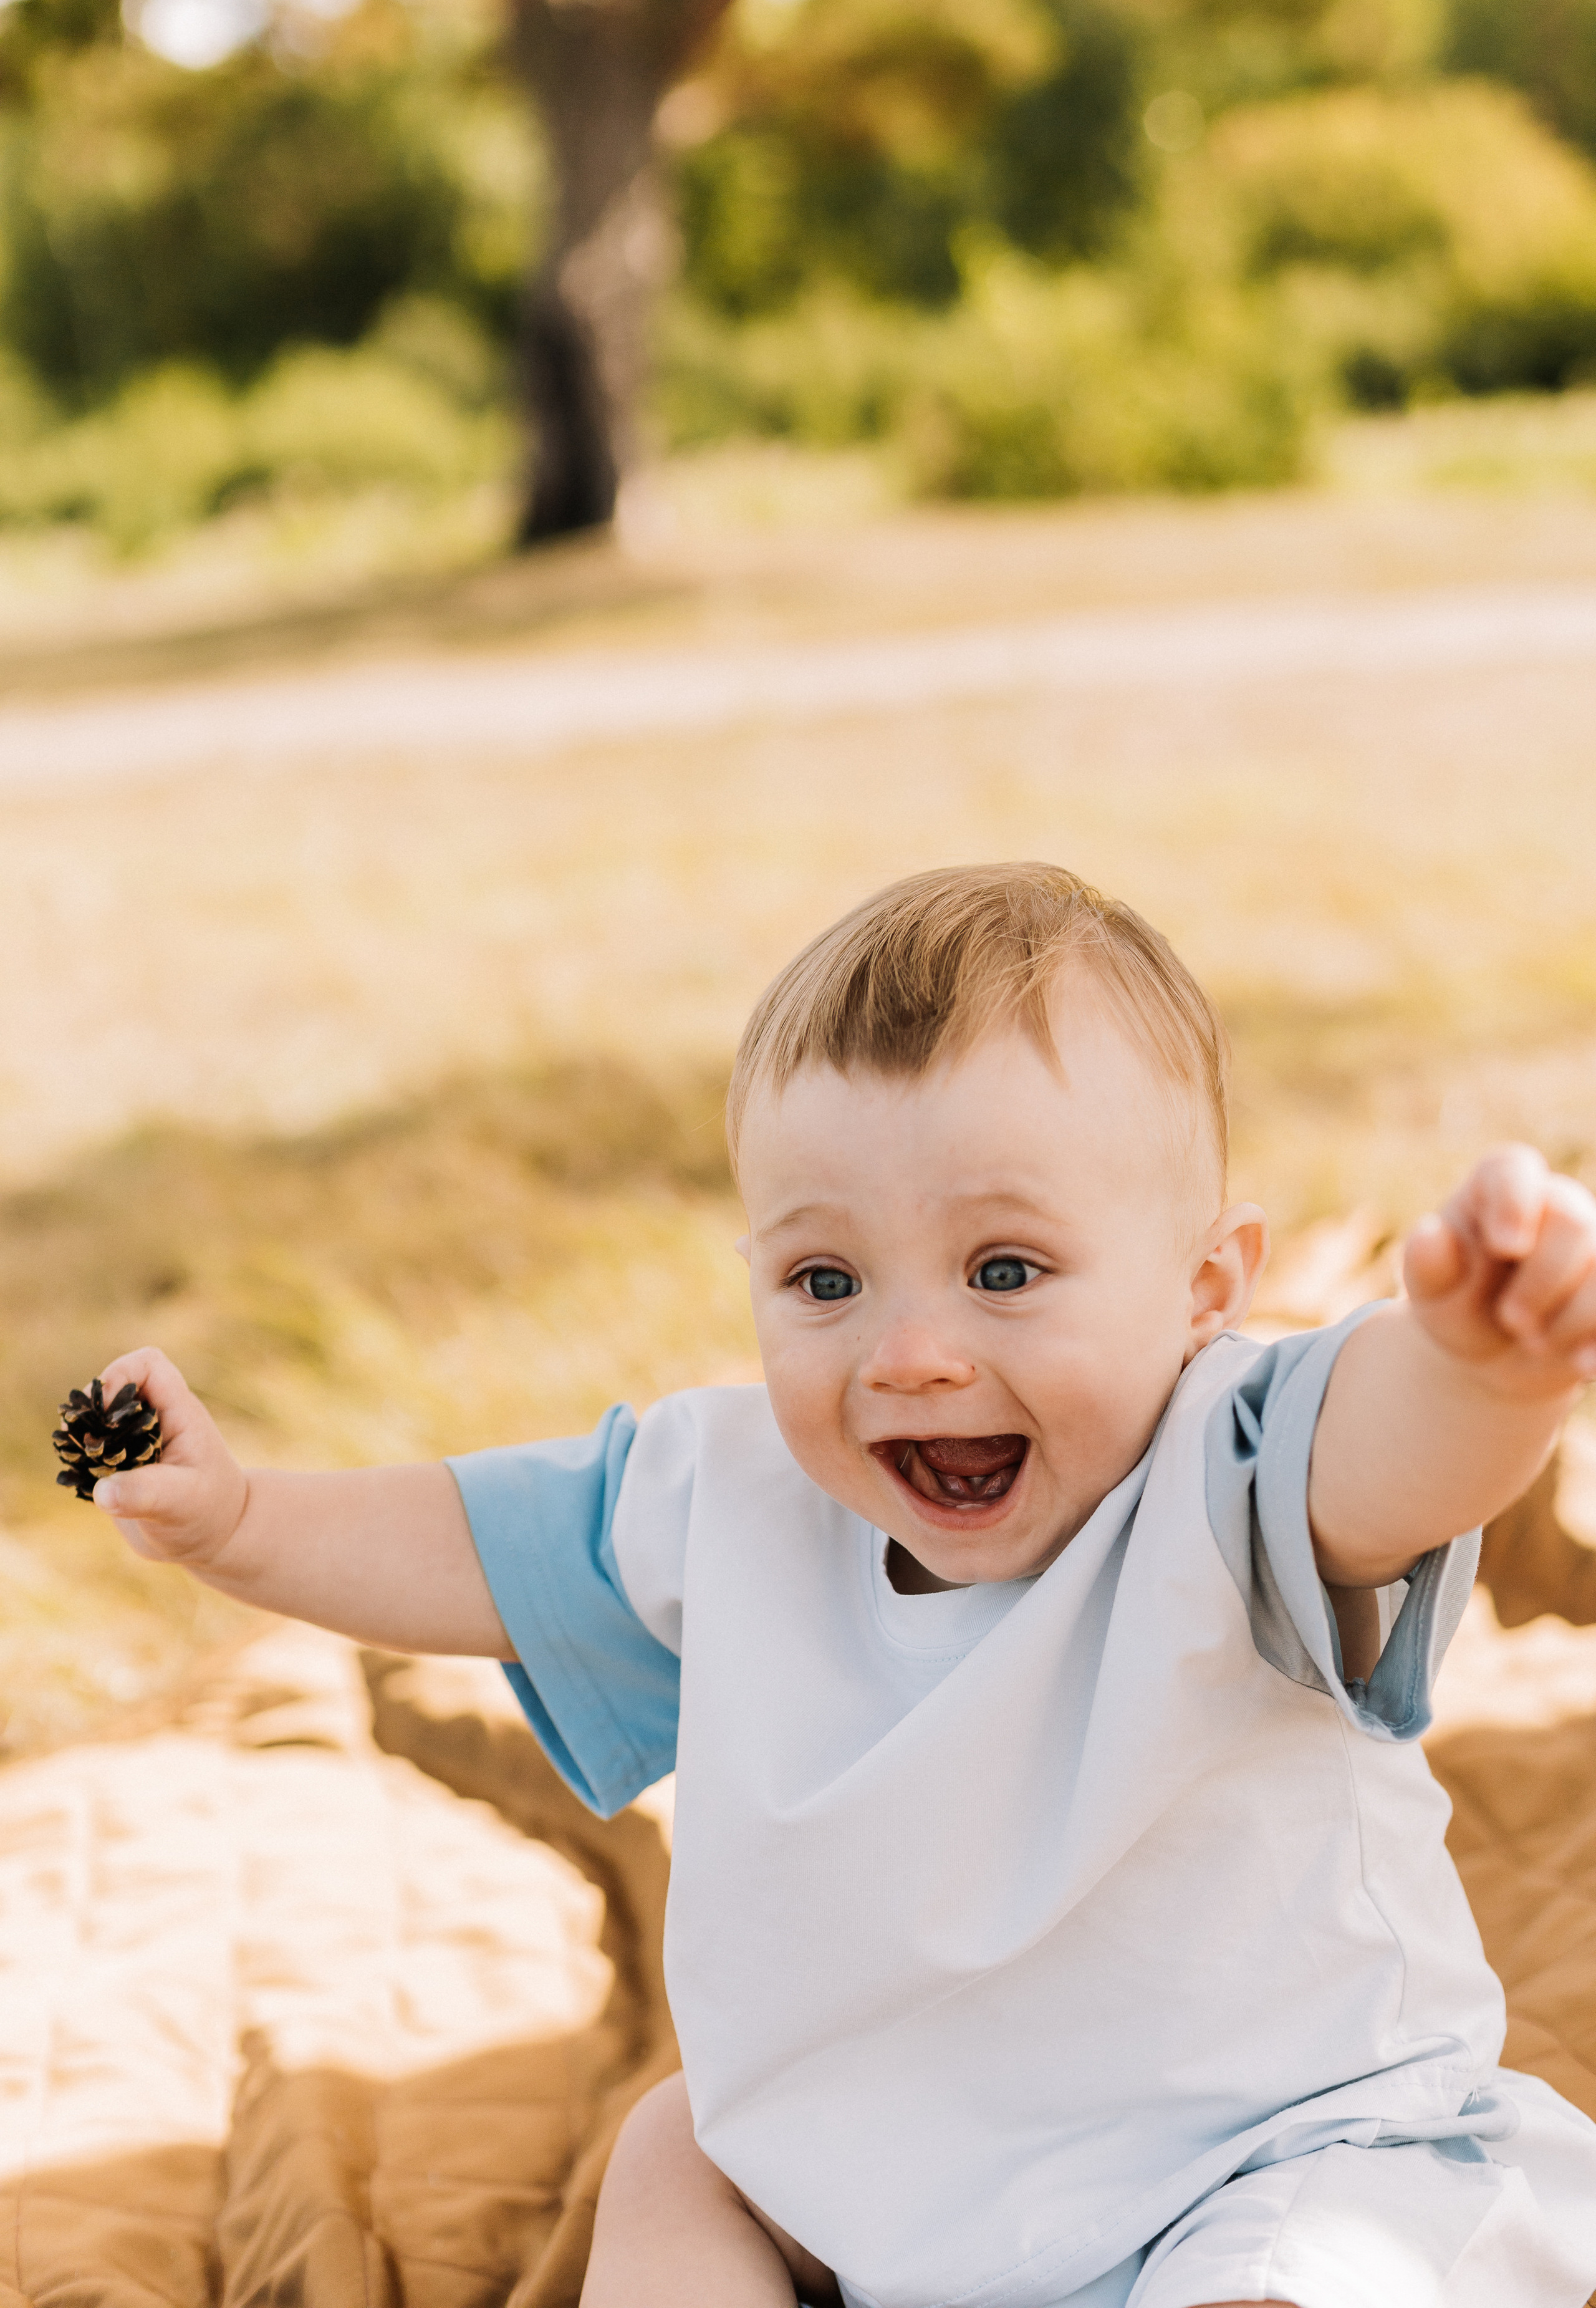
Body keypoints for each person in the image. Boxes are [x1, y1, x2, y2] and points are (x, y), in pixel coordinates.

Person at [92, 864, 1596, 2308]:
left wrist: (1479, 1366)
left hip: (1264, 2152)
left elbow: (1391, 1460)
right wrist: (240, 1521)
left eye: (1003, 1270)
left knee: (1311, 2267)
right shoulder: (732, 1492)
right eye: (825, 1282)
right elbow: (474, 1545)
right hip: (908, 2173)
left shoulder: (1227, 1462)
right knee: (683, 2151)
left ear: (1206, 1290)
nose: (908, 1355)